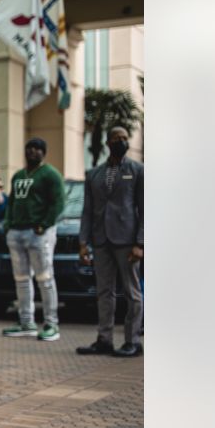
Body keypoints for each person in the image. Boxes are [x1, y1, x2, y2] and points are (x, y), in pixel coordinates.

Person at [78, 127, 144, 357]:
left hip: (127, 241)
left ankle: (133, 341)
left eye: (125, 138)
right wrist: (83, 242)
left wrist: (141, 243)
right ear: (108, 142)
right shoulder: (94, 174)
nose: (122, 141)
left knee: (131, 292)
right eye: (117, 138)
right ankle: (104, 339)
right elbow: (87, 210)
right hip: (100, 240)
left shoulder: (137, 170)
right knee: (103, 292)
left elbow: (144, 209)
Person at [1, 138, 66, 341]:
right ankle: (26, 321)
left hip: (39, 233)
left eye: (37, 149)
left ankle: (51, 323)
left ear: (44, 152)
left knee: (45, 279)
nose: (32, 152)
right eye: (29, 148)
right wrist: (8, 224)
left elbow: (59, 203)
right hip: (17, 232)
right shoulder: (18, 175)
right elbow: (11, 202)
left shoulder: (51, 174)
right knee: (21, 280)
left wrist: (44, 224)